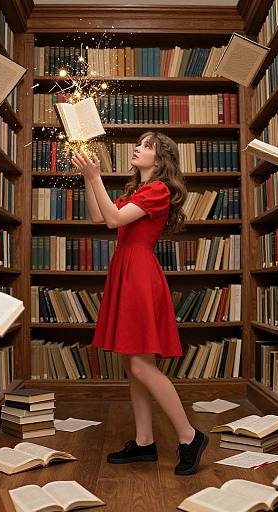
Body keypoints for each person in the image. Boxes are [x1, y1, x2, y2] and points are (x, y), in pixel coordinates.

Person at [71, 131, 208, 476]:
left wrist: (94, 176)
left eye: (147, 146)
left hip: (139, 273)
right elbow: (99, 217)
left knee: (141, 367)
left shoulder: (158, 190)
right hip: (128, 270)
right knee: (134, 366)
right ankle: (144, 441)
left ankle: (190, 437)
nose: (138, 148)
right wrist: (90, 180)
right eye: (140, 143)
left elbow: (115, 220)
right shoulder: (136, 191)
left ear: (161, 160)